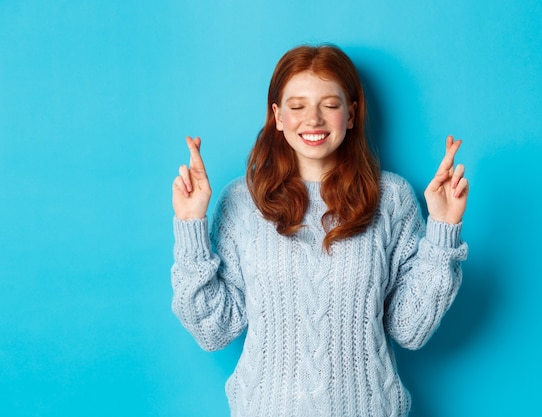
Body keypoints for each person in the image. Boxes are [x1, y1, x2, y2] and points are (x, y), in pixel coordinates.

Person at [171, 44, 469, 417]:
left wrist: (443, 228)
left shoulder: (391, 198)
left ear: (351, 114)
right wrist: (190, 226)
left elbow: (410, 328)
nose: (312, 119)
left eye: (329, 104)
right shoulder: (241, 202)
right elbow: (214, 330)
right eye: (297, 107)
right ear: (277, 116)